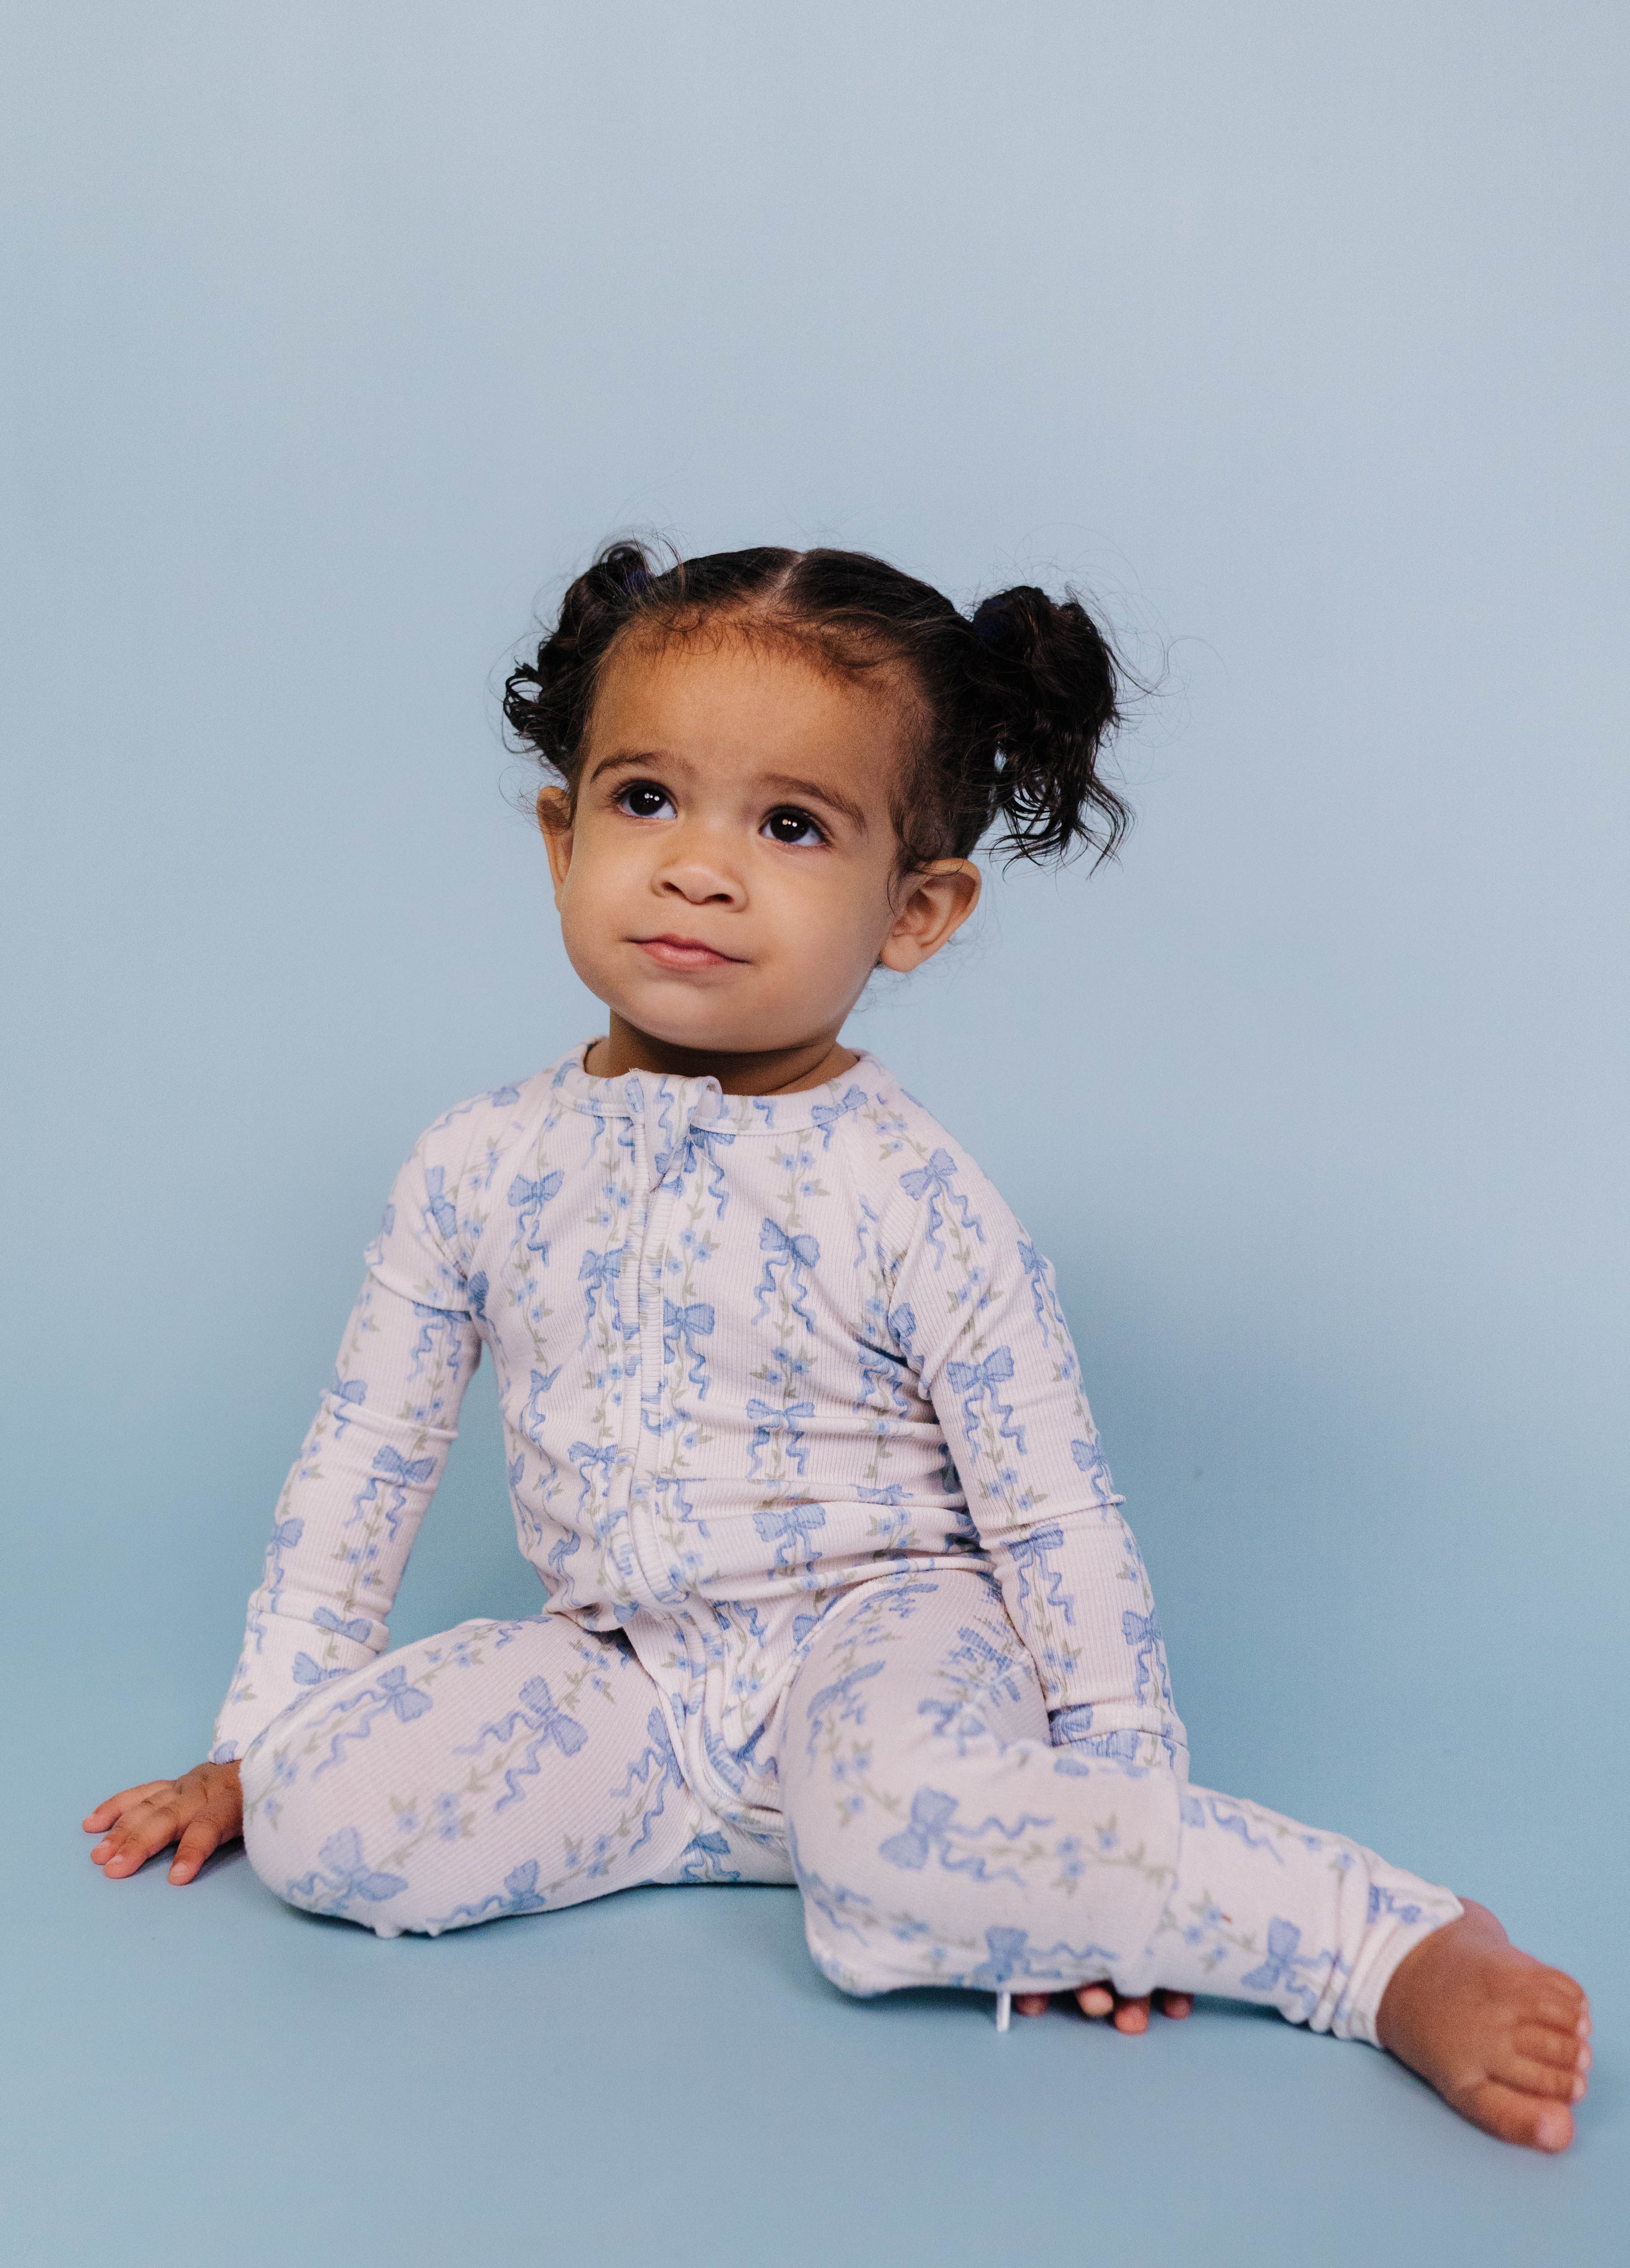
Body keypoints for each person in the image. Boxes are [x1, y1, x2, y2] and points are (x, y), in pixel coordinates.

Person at [84, 542, 1590, 2149]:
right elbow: (361, 1468)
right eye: (646, 800)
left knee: (885, 1882)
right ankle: (800, 1832)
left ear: (917, 910)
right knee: (329, 1827)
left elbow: (1052, 1516)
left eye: (790, 825)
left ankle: (1383, 1945)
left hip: (882, 1635)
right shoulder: (477, 1164)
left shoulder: (912, 1192)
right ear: (559, 835)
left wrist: (1095, 1838)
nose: (698, 869)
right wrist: (257, 1745)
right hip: (629, 1673)